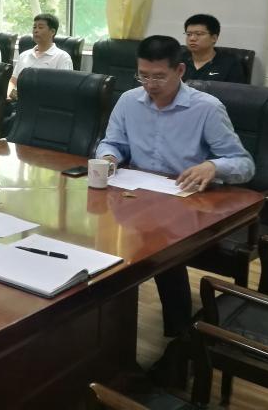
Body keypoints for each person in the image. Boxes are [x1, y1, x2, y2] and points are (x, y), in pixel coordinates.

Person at [95, 35, 253, 338]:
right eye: (143, 75)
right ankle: (107, 335)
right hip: (137, 196)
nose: (150, 84)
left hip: (188, 203)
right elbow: (112, 141)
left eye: (158, 77)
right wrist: (109, 157)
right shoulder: (128, 100)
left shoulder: (206, 108)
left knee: (161, 248)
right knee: (103, 242)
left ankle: (180, 337)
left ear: (180, 71)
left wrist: (213, 166)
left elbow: (244, 164)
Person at [8, 13, 73, 100]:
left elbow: (64, 89)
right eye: (34, 27)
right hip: (18, 101)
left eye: (40, 27)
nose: (36, 30)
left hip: (45, 104)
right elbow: (13, 81)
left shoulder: (62, 57)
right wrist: (9, 94)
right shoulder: (24, 55)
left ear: (52, 32)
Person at [181, 14, 246, 83]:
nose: (192, 38)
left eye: (199, 34)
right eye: (188, 34)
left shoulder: (230, 64)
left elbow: (236, 89)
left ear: (214, 38)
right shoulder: (178, 60)